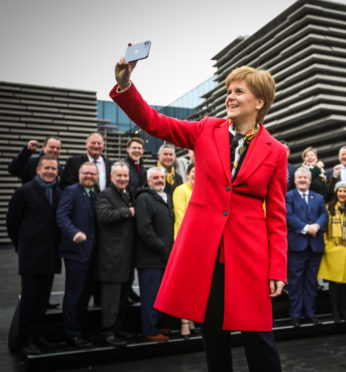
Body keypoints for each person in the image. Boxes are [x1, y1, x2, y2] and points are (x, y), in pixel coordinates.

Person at [112, 61, 287, 372]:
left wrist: (278, 269)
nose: (230, 97)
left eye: (239, 91)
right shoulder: (207, 129)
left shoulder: (276, 151)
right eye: (228, 91)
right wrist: (126, 87)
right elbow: (155, 123)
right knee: (213, 335)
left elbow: (276, 216)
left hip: (249, 256)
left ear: (260, 102)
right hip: (206, 252)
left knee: (259, 337)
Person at [6, 155, 62, 354]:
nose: (50, 172)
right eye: (46, 168)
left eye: (53, 169)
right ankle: (25, 340)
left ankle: (37, 336)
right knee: (29, 301)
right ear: (38, 170)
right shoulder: (24, 191)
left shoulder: (58, 192)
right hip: (31, 256)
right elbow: (12, 223)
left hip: (50, 256)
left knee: (42, 302)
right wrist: (22, 246)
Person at [56, 162, 99, 348]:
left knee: (85, 295)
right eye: (85, 173)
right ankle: (72, 334)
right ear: (79, 174)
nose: (89, 176)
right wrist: (73, 232)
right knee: (74, 295)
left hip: (93, 254)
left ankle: (81, 330)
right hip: (76, 253)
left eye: (92, 173)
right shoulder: (71, 191)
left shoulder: (96, 194)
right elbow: (62, 216)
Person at [95, 162, 136, 347]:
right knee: (111, 300)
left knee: (122, 299)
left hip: (126, 258)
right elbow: (104, 215)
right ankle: (107, 332)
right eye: (119, 176)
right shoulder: (105, 195)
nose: (123, 179)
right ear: (111, 177)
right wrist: (128, 212)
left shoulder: (128, 194)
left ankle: (118, 329)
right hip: (111, 258)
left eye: (125, 176)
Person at [135, 167, 174, 342]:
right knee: (150, 297)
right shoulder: (144, 198)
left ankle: (159, 325)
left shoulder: (163, 198)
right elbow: (144, 229)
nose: (159, 180)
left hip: (163, 258)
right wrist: (162, 247)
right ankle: (149, 330)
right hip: (150, 258)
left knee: (160, 296)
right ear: (148, 181)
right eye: (155, 178)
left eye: (161, 177)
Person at [286, 167, 328, 327]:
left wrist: (317, 225)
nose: (302, 180)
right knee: (295, 282)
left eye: (305, 177)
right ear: (295, 180)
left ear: (310, 180)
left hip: (315, 246)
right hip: (296, 247)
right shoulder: (288, 196)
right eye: (299, 177)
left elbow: (324, 215)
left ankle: (310, 313)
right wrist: (305, 228)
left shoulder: (318, 197)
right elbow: (288, 215)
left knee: (311, 282)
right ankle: (295, 315)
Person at [317, 182, 346, 323]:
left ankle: (343, 310)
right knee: (334, 286)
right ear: (336, 193)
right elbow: (323, 230)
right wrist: (328, 246)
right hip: (333, 252)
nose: (342, 193)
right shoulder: (328, 208)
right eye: (340, 191)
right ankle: (335, 312)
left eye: (345, 191)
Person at [172, 163, 198, 338]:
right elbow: (182, 217)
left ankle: (193, 319)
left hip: (201, 244)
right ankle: (184, 323)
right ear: (188, 174)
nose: (196, 175)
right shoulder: (180, 190)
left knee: (195, 286)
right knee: (184, 285)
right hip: (186, 243)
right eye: (193, 172)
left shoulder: (205, 189)